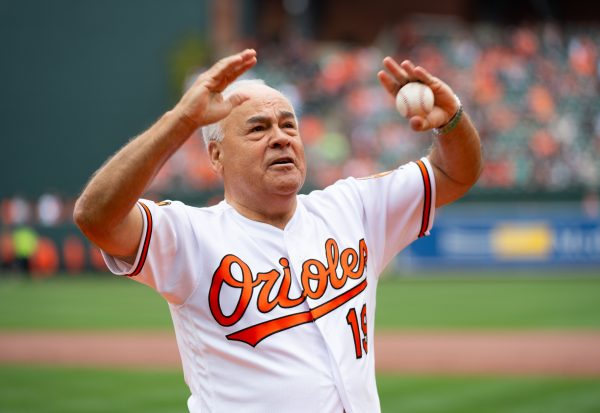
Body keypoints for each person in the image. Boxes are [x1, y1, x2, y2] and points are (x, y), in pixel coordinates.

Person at [74, 49, 482, 412]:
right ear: (215, 155)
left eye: (289, 126)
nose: (280, 138)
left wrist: (451, 122)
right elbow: (96, 217)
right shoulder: (190, 236)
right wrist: (180, 120)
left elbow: (454, 173)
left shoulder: (353, 207)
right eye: (258, 129)